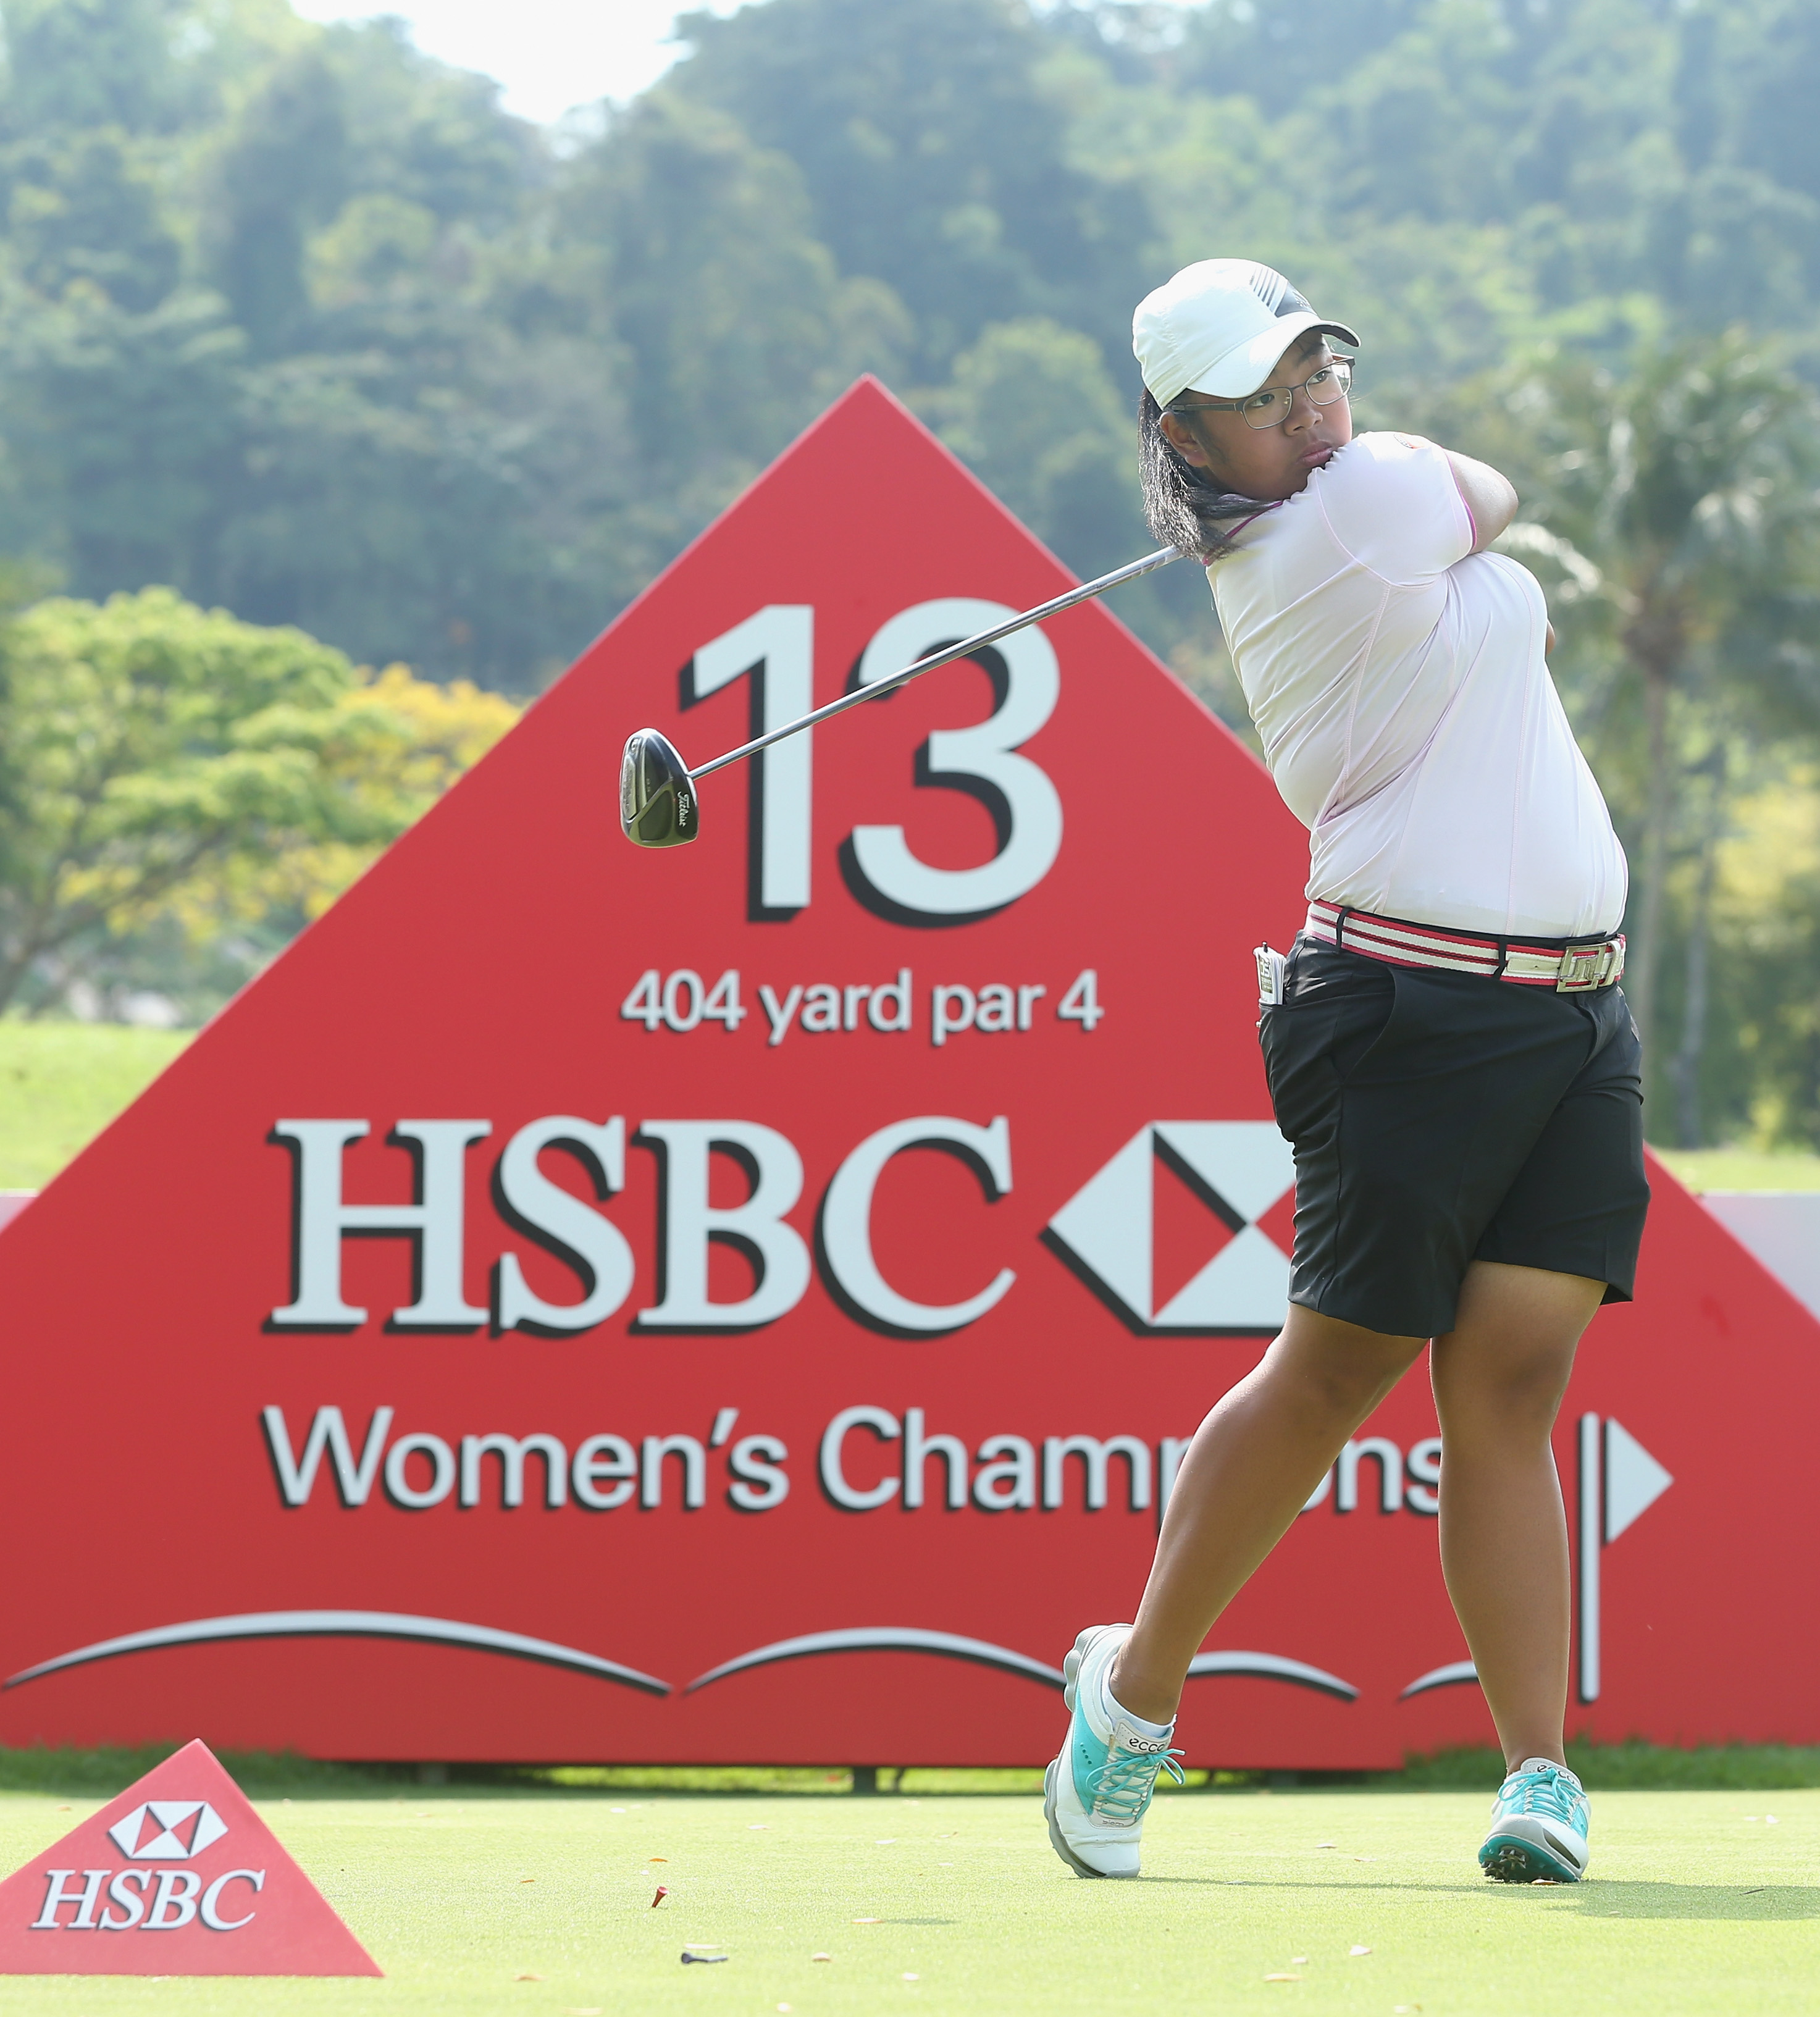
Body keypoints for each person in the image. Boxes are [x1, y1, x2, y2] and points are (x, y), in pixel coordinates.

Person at [1044, 259, 1648, 1887]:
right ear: (1182, 431)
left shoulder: (1338, 504)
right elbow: (1487, 489)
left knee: (1511, 1379)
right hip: (1402, 1003)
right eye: (1260, 393)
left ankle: (1537, 1774)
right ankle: (1134, 1692)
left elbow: (1469, 513)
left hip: (1573, 1008)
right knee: (1337, 1370)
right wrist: (1367, 476)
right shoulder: (1359, 501)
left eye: (1318, 363)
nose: (1310, 403)